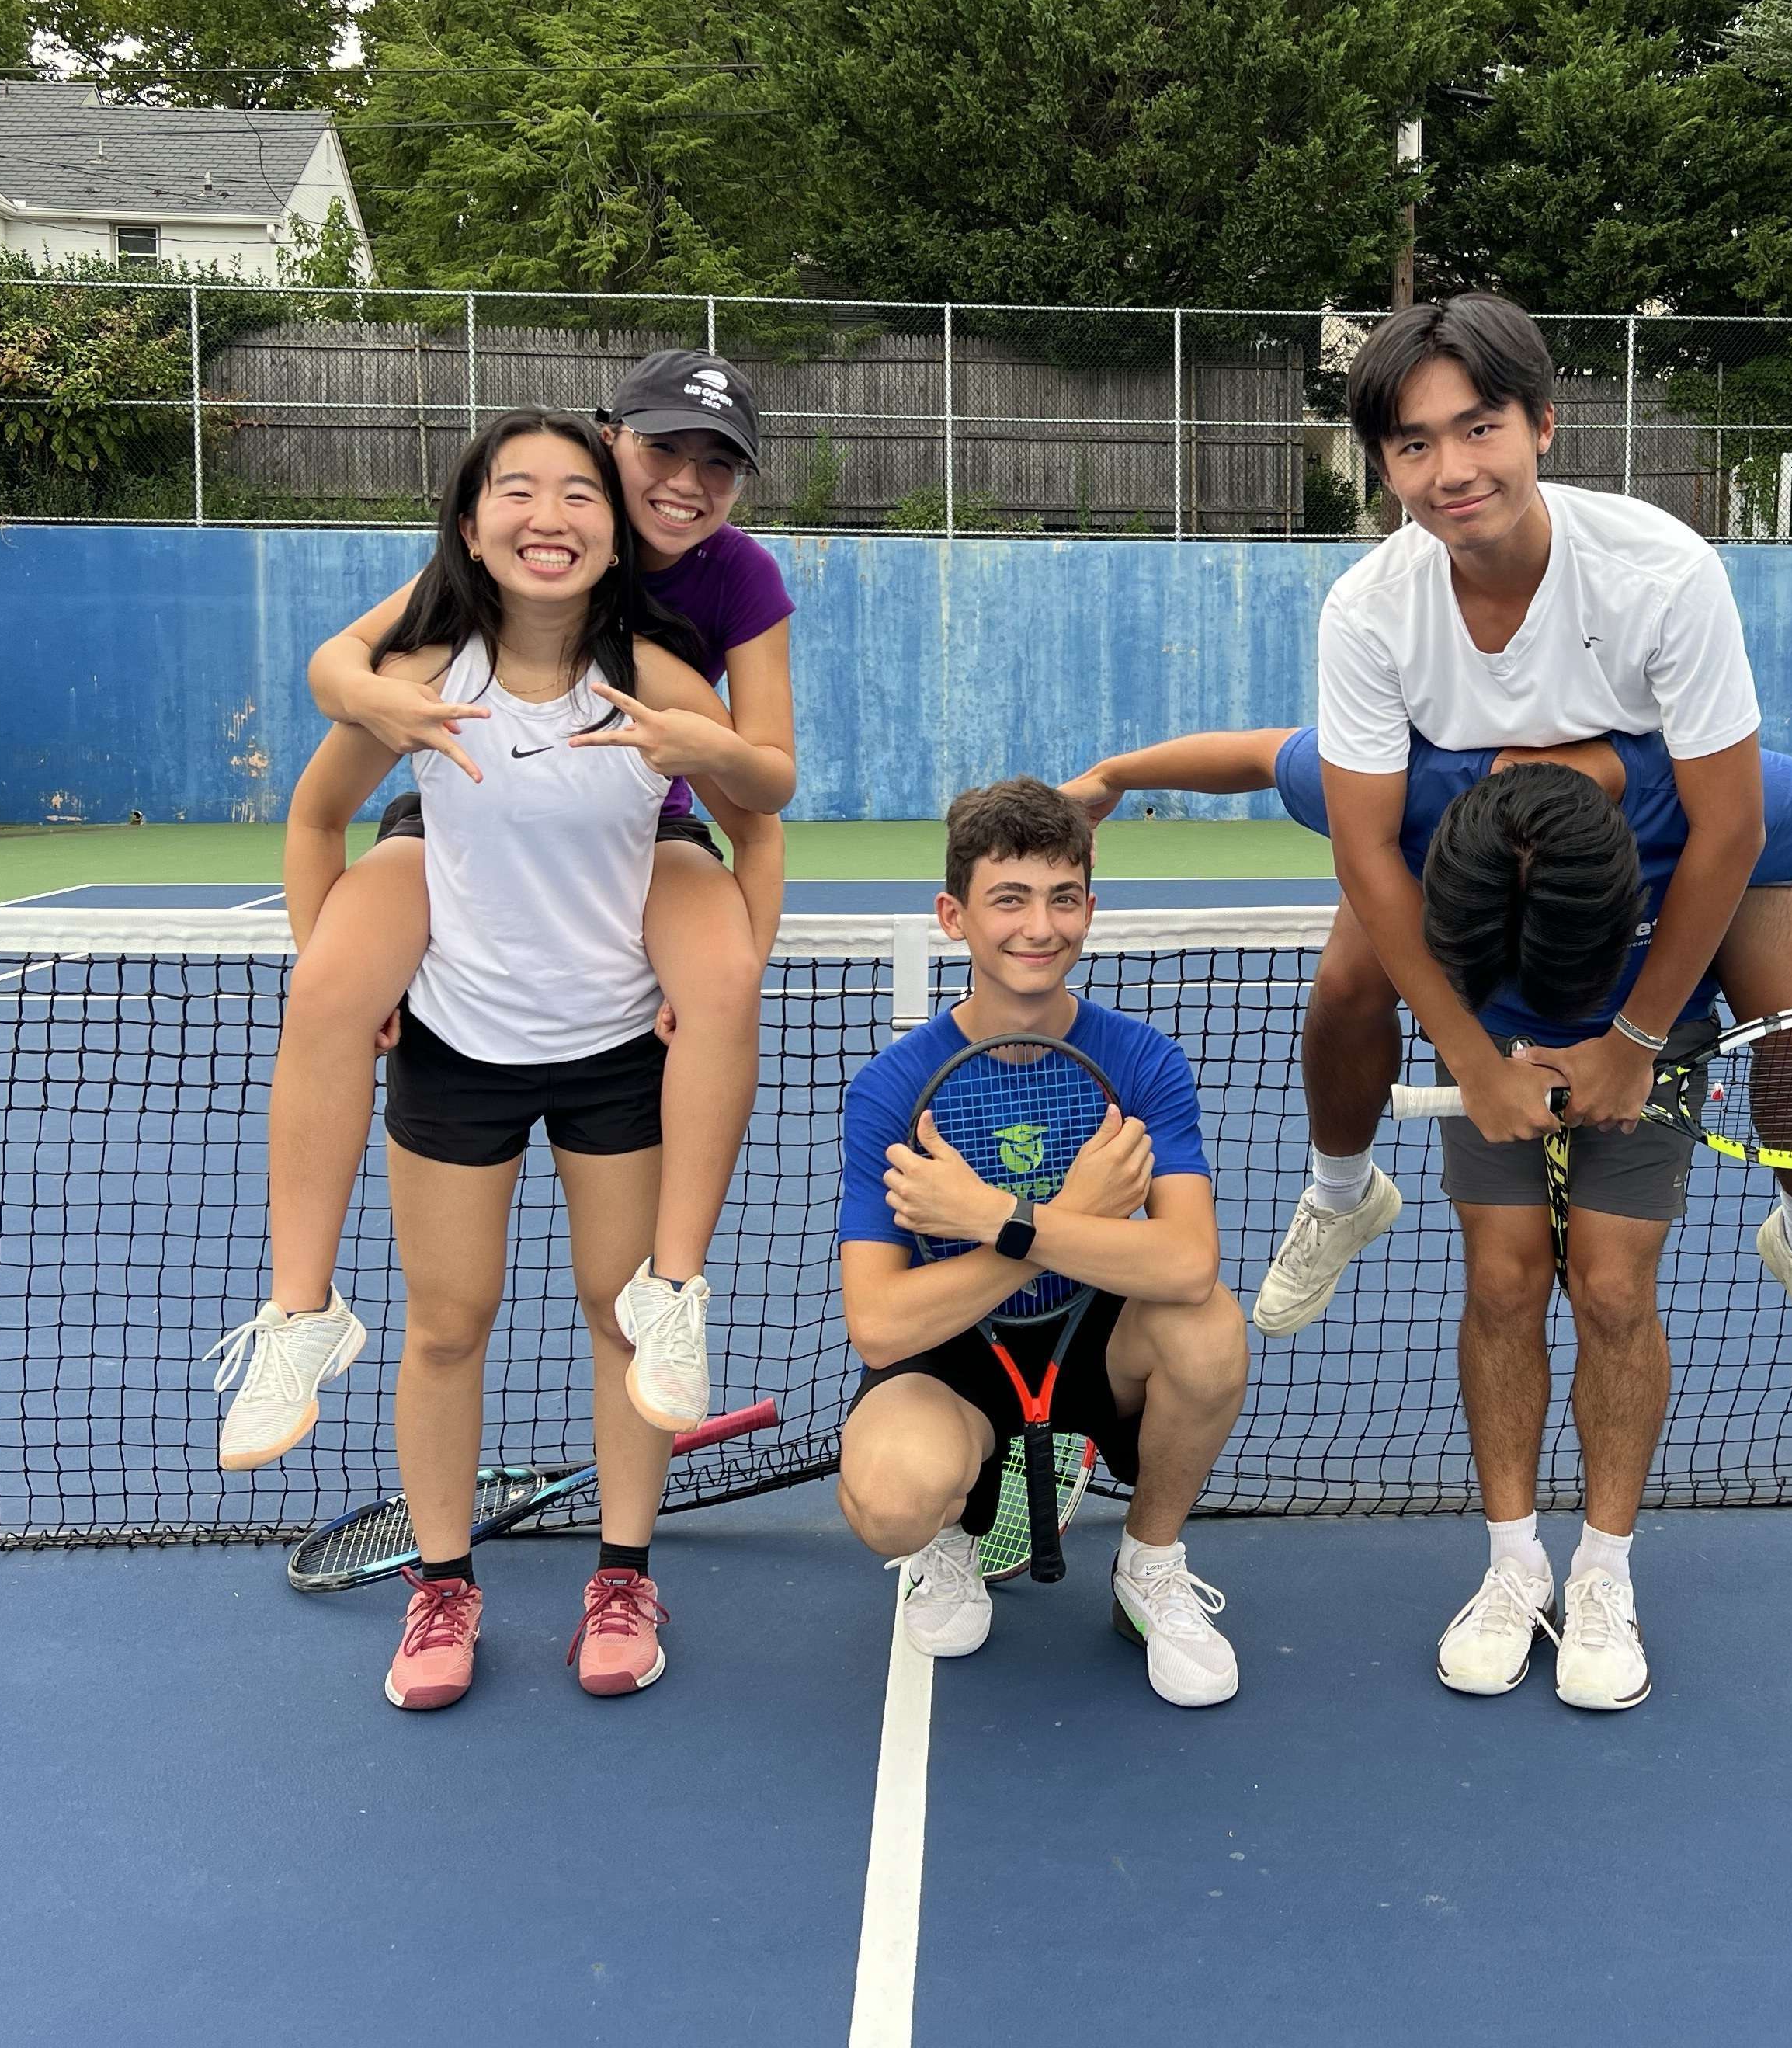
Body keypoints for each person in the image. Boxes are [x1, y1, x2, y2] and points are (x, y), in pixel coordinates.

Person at [1062, 725, 1792, 1375]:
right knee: (1343, 986)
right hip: (1481, 901)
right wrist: (1115, 778)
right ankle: (1341, 1192)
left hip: (1710, 903)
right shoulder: (1405, 785)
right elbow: (1264, 757)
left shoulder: (1732, 796)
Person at [210, 351, 794, 1475]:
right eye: (662, 448)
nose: (685, 479)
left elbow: (765, 788)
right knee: (329, 982)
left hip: (648, 817)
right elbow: (339, 673)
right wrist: (375, 699)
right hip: (460, 817)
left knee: (722, 981)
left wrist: (704, 752)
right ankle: (300, 1310)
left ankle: (674, 1292)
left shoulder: (729, 586)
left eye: (717, 463)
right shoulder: (478, 583)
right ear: (609, 443)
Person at [1311, 290, 1768, 1714]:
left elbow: (1734, 832)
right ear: (1382, 467)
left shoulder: (1660, 573)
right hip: (1487, 965)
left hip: (1645, 952)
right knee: (1505, 1280)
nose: (1450, 468)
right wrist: (1469, 1048)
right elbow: (1367, 859)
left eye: (1479, 426)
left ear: (1542, 424)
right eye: (1411, 443)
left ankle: (1606, 1571)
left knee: (1614, 1286)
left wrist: (1635, 1040)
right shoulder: (1370, 606)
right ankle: (1513, 1561)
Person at [274, 409, 756, 1709]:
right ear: (472, 522)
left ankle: (622, 1573)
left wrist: (707, 764)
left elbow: (757, 796)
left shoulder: (656, 669)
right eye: (516, 490)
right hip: (456, 1041)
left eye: (578, 494)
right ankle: (441, 1583)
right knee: (447, 1322)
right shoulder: (422, 675)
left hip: (613, 1043)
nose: (549, 515)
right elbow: (318, 813)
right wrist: (352, 973)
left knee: (623, 1318)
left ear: (615, 529)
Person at [830, 780, 1252, 1709]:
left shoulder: (1143, 1062)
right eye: (1009, 899)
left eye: (1064, 898)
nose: (1039, 925)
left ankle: (1148, 1566)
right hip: (952, 1356)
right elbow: (880, 1325)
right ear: (955, 916)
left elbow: (1187, 1264)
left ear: (1090, 911)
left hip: (1100, 1341)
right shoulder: (893, 1090)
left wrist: (1001, 1216)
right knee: (893, 1499)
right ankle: (948, 1543)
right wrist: (1068, 1218)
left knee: (1210, 1328)